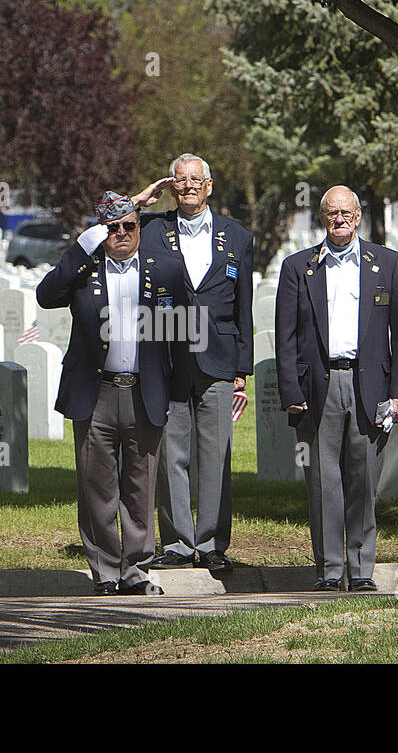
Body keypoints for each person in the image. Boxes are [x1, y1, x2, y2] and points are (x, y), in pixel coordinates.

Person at [36, 191, 185, 596]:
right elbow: (46, 296)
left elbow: (183, 334)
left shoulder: (166, 269)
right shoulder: (85, 269)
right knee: (97, 487)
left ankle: (137, 571)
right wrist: (79, 249)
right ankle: (104, 571)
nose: (122, 233)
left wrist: (175, 390)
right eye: (112, 227)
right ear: (101, 231)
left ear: (140, 227)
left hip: (144, 391)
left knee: (140, 487)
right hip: (95, 392)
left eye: (129, 226)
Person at [275, 185, 398, 591]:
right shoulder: (298, 267)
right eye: (331, 213)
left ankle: (362, 570)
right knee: (322, 481)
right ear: (323, 218)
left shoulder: (386, 263)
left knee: (364, 479)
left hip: (370, 384)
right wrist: (291, 392)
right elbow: (286, 337)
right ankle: (330, 570)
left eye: (346, 213)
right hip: (318, 386)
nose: (339, 219)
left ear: (358, 217)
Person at [134, 154, 254, 573]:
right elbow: (106, 230)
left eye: (194, 180)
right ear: (172, 185)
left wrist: (243, 367)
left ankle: (213, 544)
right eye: (179, 181)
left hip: (219, 357)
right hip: (167, 353)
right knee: (171, 453)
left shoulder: (237, 236)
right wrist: (143, 198)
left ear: (209, 185)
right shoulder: (152, 229)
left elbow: (244, 308)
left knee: (216, 454)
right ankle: (179, 543)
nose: (187, 187)